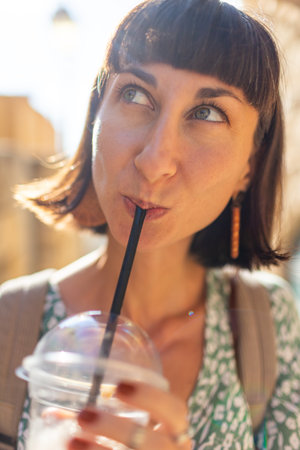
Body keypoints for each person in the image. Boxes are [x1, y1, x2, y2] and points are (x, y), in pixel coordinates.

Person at [5, 0, 300, 448]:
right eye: (136, 94)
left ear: (249, 167)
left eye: (207, 114)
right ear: (95, 117)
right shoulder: (8, 323)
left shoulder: (272, 328)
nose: (154, 160)